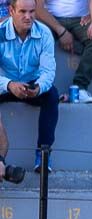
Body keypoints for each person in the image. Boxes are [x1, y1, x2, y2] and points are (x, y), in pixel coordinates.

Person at [0, 0, 57, 174]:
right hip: (5, 84)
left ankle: (43, 155)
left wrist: (38, 88)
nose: (28, 17)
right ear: (11, 10)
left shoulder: (44, 33)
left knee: (52, 95)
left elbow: (48, 70)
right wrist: (9, 85)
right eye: (23, 11)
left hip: (31, 85)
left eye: (32, 12)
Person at [35, 0, 92, 103]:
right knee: (38, 38)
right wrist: (61, 31)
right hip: (52, 18)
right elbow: (38, 9)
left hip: (80, 19)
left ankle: (80, 88)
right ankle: (38, 86)